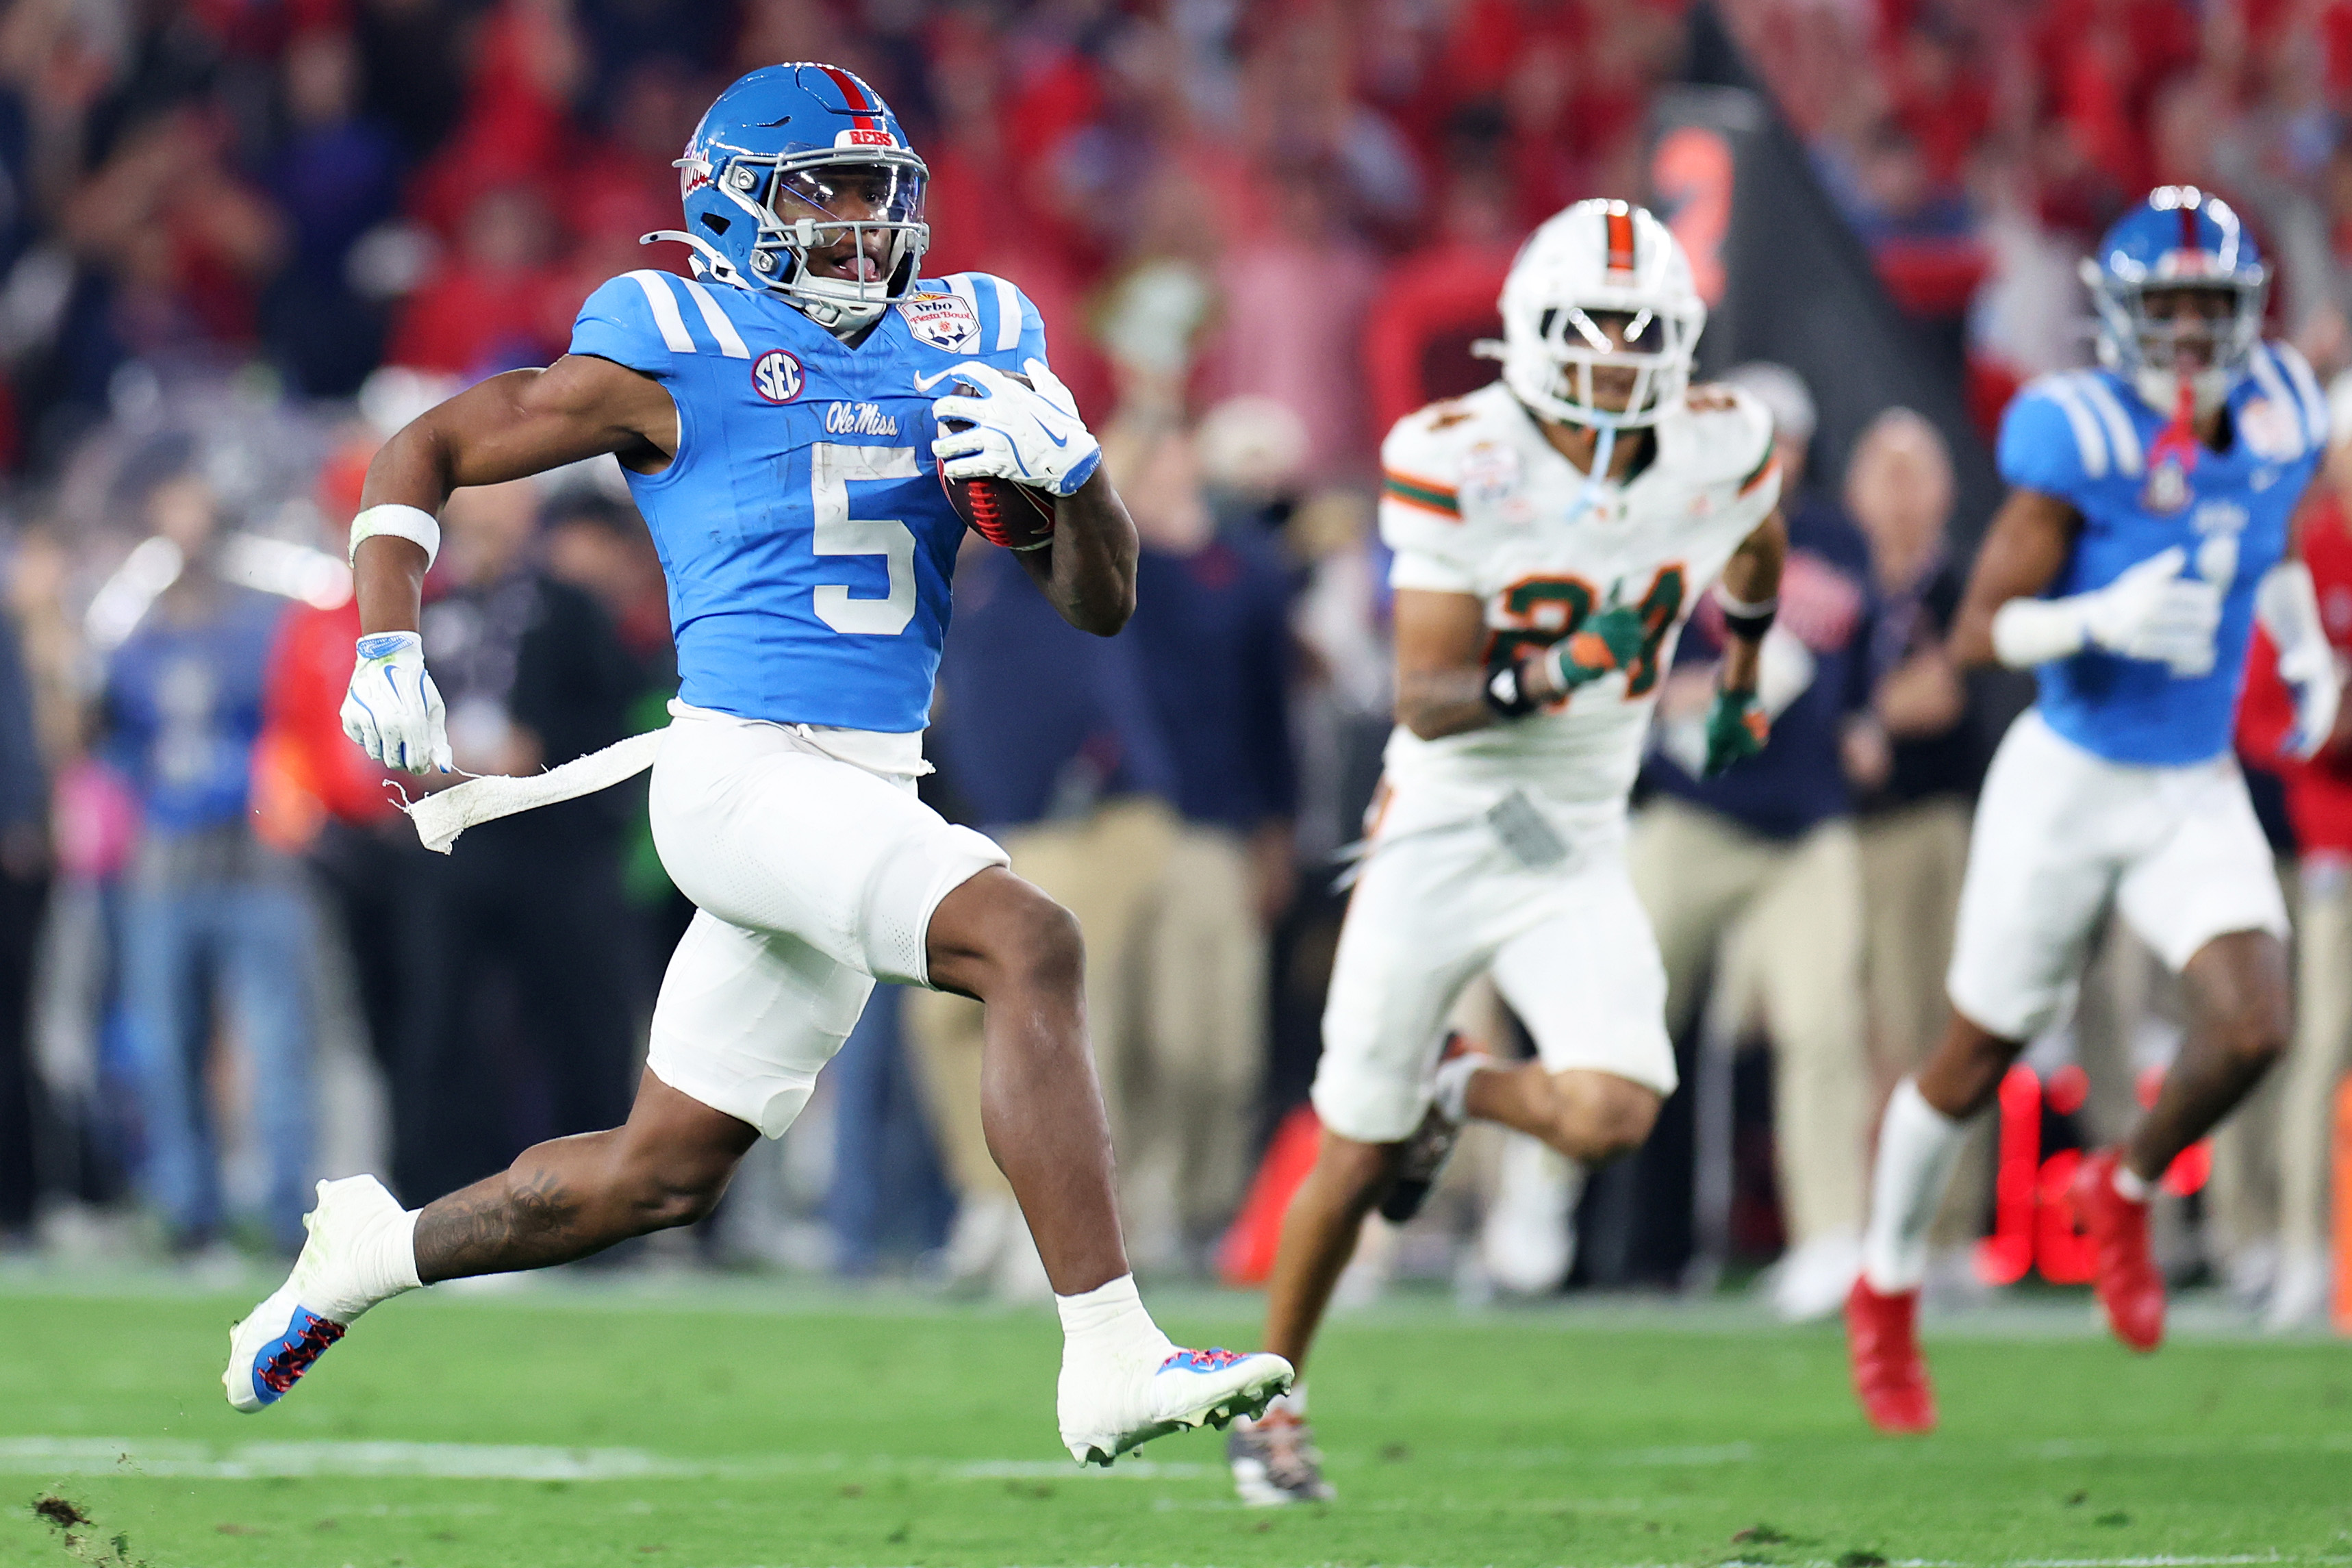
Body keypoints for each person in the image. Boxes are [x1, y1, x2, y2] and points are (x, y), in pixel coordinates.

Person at [224, 63, 1290, 1467]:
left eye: (876, 192)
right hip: (738, 776)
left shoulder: (966, 338)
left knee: (657, 1175)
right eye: (820, 192)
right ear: (728, 211)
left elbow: (1098, 600)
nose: (858, 224)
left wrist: (1076, 477)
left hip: (862, 787)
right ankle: (1109, 1354)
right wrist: (384, 646)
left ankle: (366, 1252)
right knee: (1026, 938)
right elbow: (425, 444)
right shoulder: (671, 340)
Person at [1230, 201, 1786, 1506]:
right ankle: (1269, 1399)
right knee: (1352, 1144)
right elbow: (1424, 695)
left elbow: (1751, 539)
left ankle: (1458, 1093)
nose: (1611, 359)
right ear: (1532, 339)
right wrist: (1564, 671)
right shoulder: (1458, 456)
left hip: (1579, 834)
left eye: (1639, 333)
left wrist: (1748, 666)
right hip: (1446, 819)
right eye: (1588, 333)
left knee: (1612, 1111)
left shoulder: (1721, 442)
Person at [1849, 187, 2340, 1434]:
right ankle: (1887, 1287)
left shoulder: (2280, 410)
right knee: (1972, 1055)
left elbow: (2266, 536)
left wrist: (2301, 646)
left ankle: (2120, 1187)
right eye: (2166, 306)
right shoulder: (2081, 438)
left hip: (2186, 782)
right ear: (2119, 317)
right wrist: (2096, 620)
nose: (2187, 331)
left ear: (2247, 315)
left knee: (2256, 1026)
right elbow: (1979, 632)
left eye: (2208, 307)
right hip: (2068, 775)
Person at [1629, 360, 1878, 1322]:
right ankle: (1543, 1213)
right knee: (1609, 1011)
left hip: (1802, 828)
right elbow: (1624, 668)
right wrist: (1677, 697)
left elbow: (1826, 665)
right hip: (1691, 811)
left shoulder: (1830, 538)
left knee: (1822, 1029)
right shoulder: (1664, 530)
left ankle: (1829, 1239)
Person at [107, 472, 318, 1255]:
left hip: (254, 850)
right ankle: (189, 1208)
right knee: (165, 1042)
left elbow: (294, 720)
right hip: (164, 860)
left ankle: (289, 1207)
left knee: (276, 1040)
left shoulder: (262, 628)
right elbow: (111, 739)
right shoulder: (134, 632)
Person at [1842, 409, 1988, 1298]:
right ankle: (1861, 1219)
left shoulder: (1957, 583)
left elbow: (1940, 696)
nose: (1896, 495)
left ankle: (1950, 1224)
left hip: (1930, 822)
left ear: (1941, 490)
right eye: (1881, 473)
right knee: (1854, 1032)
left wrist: (1852, 716)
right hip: (1841, 829)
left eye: (1912, 473)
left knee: (1939, 1024)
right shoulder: (1837, 581)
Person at [2238, 370, 2352, 1330]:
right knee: (2319, 1048)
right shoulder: (2305, 559)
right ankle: (2299, 1248)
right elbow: (2265, 714)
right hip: (2334, 848)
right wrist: (2327, 728)